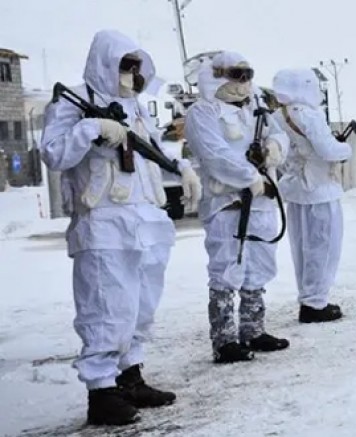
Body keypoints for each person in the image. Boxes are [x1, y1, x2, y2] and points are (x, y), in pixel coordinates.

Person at [40, 29, 202, 426]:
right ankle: (101, 391)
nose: (130, 72)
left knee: (140, 307)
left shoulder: (134, 106)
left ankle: (131, 375)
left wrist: (180, 166)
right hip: (103, 223)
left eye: (135, 65)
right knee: (106, 306)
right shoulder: (73, 100)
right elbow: (53, 152)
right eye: (124, 64)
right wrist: (92, 128)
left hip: (145, 220)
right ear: (106, 62)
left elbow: (151, 149)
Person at [184, 51, 291, 364]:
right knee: (226, 268)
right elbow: (214, 154)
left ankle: (253, 330)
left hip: (260, 201)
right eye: (236, 74)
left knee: (258, 265)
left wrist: (274, 149)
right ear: (217, 75)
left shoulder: (256, 107)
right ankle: (224, 340)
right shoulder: (203, 112)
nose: (243, 82)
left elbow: (280, 136)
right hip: (225, 201)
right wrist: (250, 178)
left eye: (247, 74)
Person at [270, 68, 352, 323]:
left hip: (295, 188)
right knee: (324, 246)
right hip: (319, 188)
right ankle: (315, 303)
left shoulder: (277, 116)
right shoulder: (309, 114)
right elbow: (328, 150)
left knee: (302, 249)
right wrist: (345, 148)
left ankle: (309, 297)